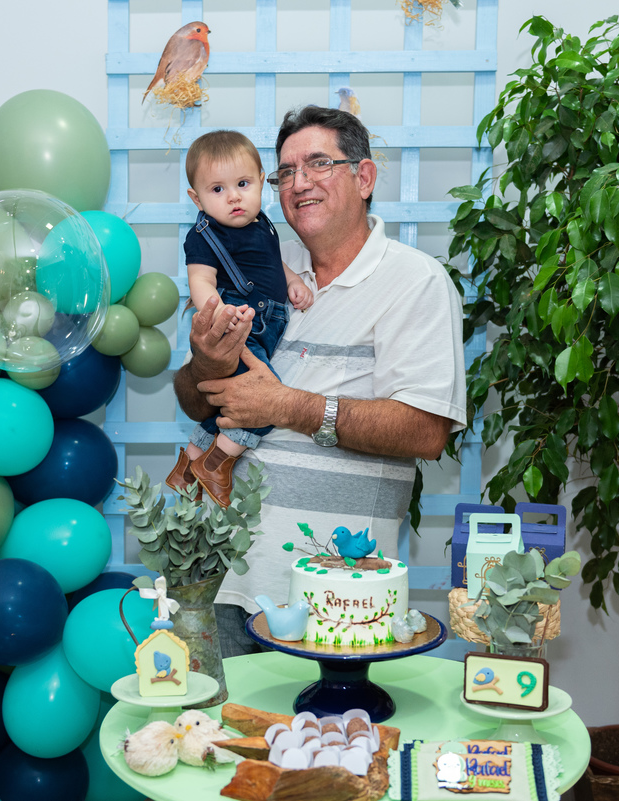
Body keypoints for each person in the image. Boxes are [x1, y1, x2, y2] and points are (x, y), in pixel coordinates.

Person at [174, 106, 470, 655]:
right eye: (286, 171)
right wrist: (207, 364)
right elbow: (194, 400)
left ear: (364, 177)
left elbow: (426, 432)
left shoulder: (415, 282)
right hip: (214, 580)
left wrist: (288, 406)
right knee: (208, 714)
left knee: (325, 717)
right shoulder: (254, 256)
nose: (299, 182)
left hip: (333, 599)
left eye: (318, 164)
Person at [165, 130, 314, 507]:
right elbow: (201, 281)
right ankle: (216, 465)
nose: (233, 196)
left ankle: (187, 467)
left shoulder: (262, 224)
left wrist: (293, 281)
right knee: (262, 402)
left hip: (268, 324)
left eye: (243, 184)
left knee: (229, 404)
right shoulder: (204, 235)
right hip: (239, 326)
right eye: (218, 189)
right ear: (196, 199)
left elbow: (271, 265)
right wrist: (218, 313)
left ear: (262, 182)